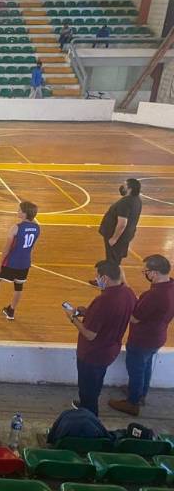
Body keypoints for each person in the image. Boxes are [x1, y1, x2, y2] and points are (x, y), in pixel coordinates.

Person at [66, 260, 136, 417]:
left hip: (92, 354)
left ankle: (88, 416)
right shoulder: (128, 294)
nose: (96, 279)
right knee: (95, 384)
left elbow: (90, 334)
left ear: (105, 278)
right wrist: (88, 313)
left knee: (87, 388)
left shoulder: (103, 301)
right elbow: (114, 317)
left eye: (97, 276)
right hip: (109, 350)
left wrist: (72, 318)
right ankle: (86, 404)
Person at [109, 254, 174, 415]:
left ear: (154, 273)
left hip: (142, 339)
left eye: (145, 271)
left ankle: (132, 402)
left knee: (136, 369)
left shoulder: (154, 295)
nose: (145, 274)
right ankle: (140, 393)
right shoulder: (170, 287)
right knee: (145, 366)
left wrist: (123, 303)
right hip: (158, 336)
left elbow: (134, 318)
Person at [94, 178, 142, 277]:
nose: (121, 187)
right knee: (114, 261)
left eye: (124, 185)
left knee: (112, 263)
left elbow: (122, 223)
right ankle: (108, 280)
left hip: (117, 238)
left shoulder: (125, 202)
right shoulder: (137, 200)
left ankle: (108, 282)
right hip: (125, 236)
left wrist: (114, 238)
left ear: (129, 189)